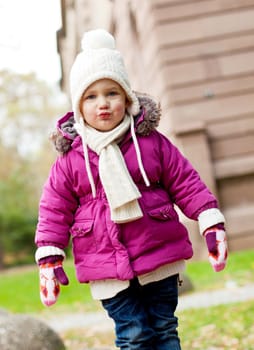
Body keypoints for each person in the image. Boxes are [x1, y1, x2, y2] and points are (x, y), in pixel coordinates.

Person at [35, 29, 228, 350]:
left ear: (127, 97)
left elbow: (186, 182)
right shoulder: (70, 160)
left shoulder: (152, 144)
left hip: (159, 255)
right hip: (105, 264)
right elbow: (53, 210)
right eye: (91, 96)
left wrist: (210, 221)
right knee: (134, 335)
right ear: (78, 106)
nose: (103, 104)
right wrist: (49, 257)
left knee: (164, 328)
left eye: (112, 92)